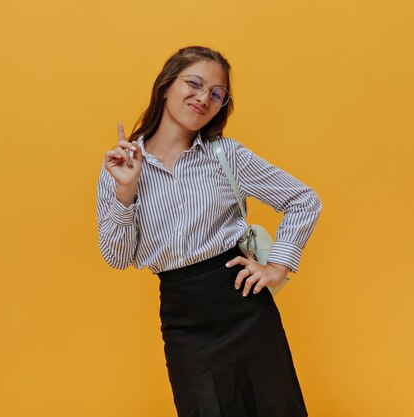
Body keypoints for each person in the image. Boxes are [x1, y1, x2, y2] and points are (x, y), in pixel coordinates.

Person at [96, 45, 322, 417]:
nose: (203, 98)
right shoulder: (121, 166)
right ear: (166, 86)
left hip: (244, 306)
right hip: (184, 319)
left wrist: (277, 265)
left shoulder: (226, 155)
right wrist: (126, 191)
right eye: (195, 84)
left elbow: (303, 200)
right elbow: (119, 257)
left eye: (216, 94)